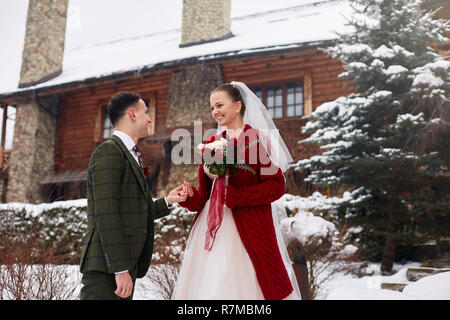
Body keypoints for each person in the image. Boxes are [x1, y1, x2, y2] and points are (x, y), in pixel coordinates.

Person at [172, 82, 302, 300]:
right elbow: (204, 197)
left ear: (237, 105)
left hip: (251, 229)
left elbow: (276, 186)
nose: (215, 112)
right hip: (212, 230)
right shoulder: (211, 143)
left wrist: (237, 197)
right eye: (212, 107)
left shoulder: (257, 140)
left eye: (220, 105)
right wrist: (189, 196)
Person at [79, 91, 187, 300]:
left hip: (124, 267)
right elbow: (106, 213)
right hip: (106, 270)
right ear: (132, 114)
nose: (149, 119)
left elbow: (134, 211)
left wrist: (169, 200)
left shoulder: (131, 154)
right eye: (145, 112)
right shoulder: (109, 152)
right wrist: (119, 269)